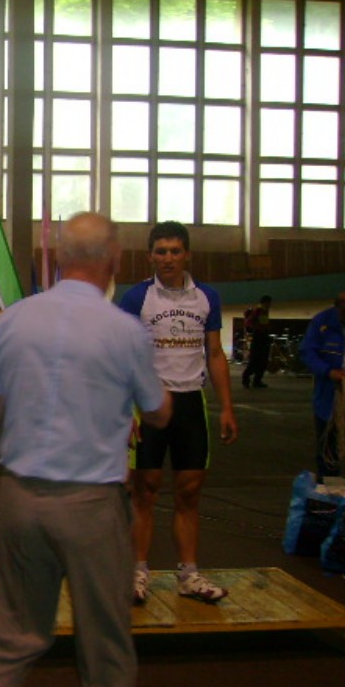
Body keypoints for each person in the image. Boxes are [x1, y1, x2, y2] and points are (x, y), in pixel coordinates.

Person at [0, 212, 172, 687]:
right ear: (114, 258)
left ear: (60, 257)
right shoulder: (124, 331)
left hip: (20, 499)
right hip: (90, 505)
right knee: (106, 648)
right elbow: (158, 412)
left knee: (16, 639)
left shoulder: (16, 320)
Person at [119, 220, 239, 605]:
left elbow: (215, 353)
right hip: (149, 405)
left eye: (175, 251)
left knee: (189, 491)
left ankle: (188, 575)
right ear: (150, 256)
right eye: (161, 251)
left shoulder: (207, 297)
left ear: (187, 254)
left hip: (190, 403)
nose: (168, 258)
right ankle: (137, 573)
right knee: (145, 490)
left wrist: (227, 408)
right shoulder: (135, 298)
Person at [299, 291, 345, 482]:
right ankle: (330, 487)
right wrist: (329, 372)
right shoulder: (322, 322)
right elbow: (307, 352)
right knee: (328, 446)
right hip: (329, 393)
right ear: (337, 308)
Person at [242, 294, 272, 389]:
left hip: (264, 336)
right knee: (255, 359)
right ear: (264, 302)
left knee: (263, 360)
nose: (269, 305)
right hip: (258, 336)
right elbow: (249, 322)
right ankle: (246, 378)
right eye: (268, 303)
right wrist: (256, 328)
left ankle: (257, 381)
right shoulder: (258, 310)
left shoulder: (265, 311)